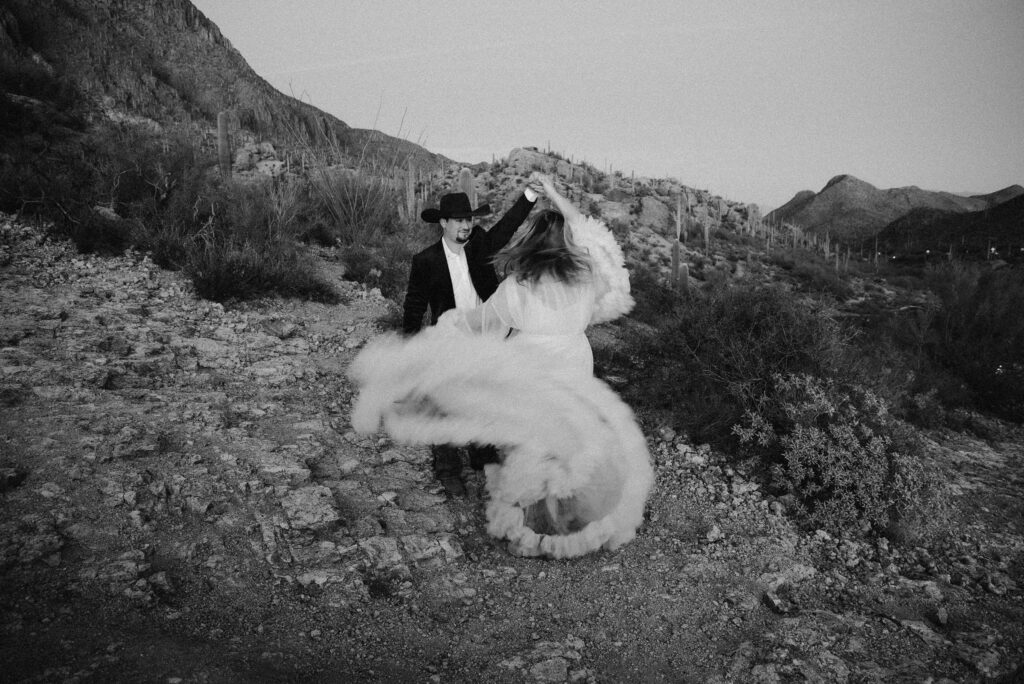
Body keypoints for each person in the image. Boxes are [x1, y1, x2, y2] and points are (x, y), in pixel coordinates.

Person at [402, 183, 539, 496]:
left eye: (469, 220)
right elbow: (415, 305)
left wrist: (529, 196)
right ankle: (448, 467)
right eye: (459, 220)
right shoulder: (426, 260)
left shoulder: (479, 245)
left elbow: (508, 226)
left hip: (485, 337)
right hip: (449, 339)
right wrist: (410, 349)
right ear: (444, 223)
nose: (466, 225)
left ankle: (483, 454)